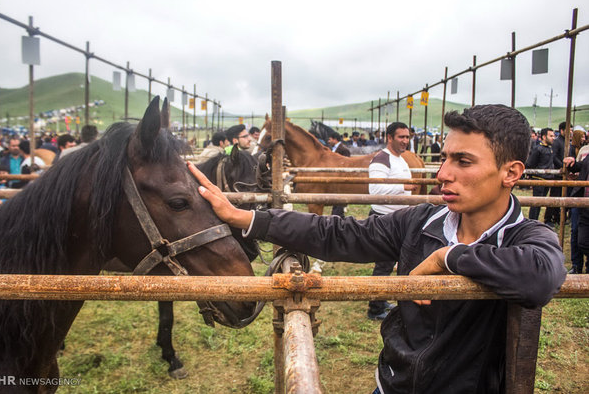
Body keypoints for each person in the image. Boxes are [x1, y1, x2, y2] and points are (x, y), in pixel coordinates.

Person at [189, 104, 566, 394]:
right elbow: (338, 233)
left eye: (462, 161)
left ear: (511, 173)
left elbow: (541, 276)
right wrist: (248, 218)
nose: (442, 173)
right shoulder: (418, 222)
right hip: (392, 384)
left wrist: (446, 258)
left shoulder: (527, 237)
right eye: (446, 157)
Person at [367, 122, 420, 320]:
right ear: (389, 138)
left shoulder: (400, 159)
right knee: (383, 265)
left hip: (398, 219)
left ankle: (381, 301)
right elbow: (375, 190)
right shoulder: (382, 159)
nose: (405, 141)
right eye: (401, 137)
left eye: (407, 137)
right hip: (384, 219)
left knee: (393, 263)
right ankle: (375, 308)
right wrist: (402, 186)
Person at [563, 153, 589, 274]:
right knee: (579, 238)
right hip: (582, 203)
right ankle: (576, 266)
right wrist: (571, 163)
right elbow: (580, 166)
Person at [525, 128, 556, 226]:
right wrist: (530, 175)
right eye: (551, 136)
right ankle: (531, 223)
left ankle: (536, 222)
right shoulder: (538, 149)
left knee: (542, 202)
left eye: (553, 136)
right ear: (543, 137)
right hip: (539, 179)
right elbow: (530, 163)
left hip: (548, 179)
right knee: (536, 203)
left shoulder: (550, 148)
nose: (553, 138)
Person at [327, 132, 351, 217]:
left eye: (330, 139)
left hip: (340, 178)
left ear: (335, 139)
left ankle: (338, 217)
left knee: (339, 200)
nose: (328, 141)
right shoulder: (331, 148)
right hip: (334, 177)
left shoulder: (344, 150)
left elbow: (346, 164)